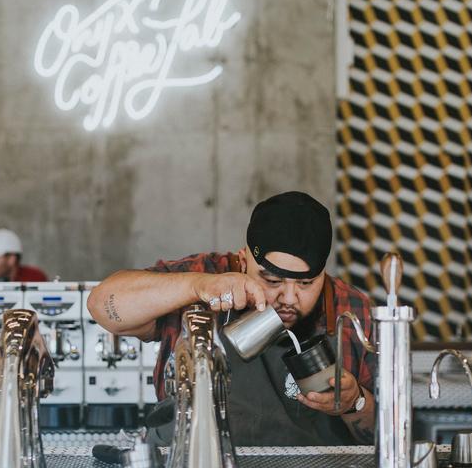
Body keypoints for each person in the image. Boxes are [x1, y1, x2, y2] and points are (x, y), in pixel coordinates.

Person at [87, 191, 377, 446]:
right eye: (272, 280)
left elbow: (383, 430)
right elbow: (102, 305)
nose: (289, 298)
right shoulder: (204, 273)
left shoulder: (350, 310)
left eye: (305, 284)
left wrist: (355, 402)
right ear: (244, 259)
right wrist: (197, 286)